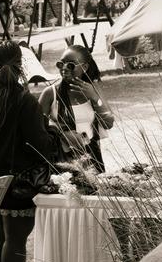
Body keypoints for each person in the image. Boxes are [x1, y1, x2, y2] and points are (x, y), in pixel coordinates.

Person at [0, 41, 81, 262]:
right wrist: (55, 133)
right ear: (20, 64)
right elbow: (38, 144)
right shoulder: (23, 100)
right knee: (16, 240)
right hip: (18, 180)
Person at [39, 44, 114, 172]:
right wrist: (61, 133)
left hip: (92, 156)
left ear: (84, 67)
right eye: (60, 64)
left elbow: (108, 123)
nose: (64, 68)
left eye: (71, 65)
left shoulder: (93, 89)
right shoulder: (50, 93)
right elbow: (37, 128)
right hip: (62, 158)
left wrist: (94, 98)